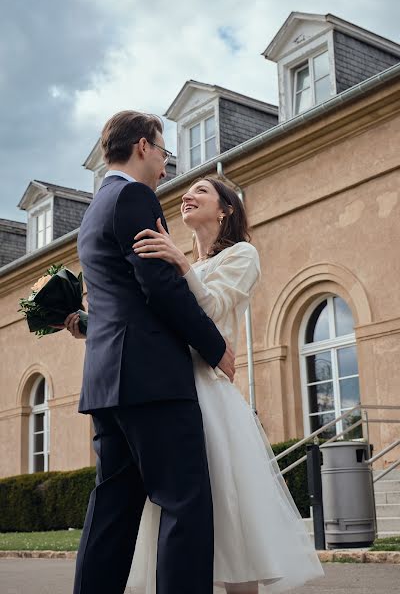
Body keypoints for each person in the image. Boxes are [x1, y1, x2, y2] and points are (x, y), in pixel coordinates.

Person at [66, 175, 324, 593]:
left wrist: (182, 266)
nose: (187, 194)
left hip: (210, 397)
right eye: (188, 192)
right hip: (167, 389)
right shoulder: (176, 261)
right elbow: (161, 315)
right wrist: (89, 324)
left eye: (202, 191)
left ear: (226, 209)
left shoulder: (243, 255)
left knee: (233, 526)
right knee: (181, 518)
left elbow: (215, 309)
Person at [70, 110, 236, 594]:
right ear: (143, 146)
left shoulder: (94, 210)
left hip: (107, 383)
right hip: (151, 380)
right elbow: (158, 285)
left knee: (113, 512)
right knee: (185, 503)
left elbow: (113, 300)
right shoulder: (135, 197)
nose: (165, 167)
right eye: (164, 153)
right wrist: (214, 346)